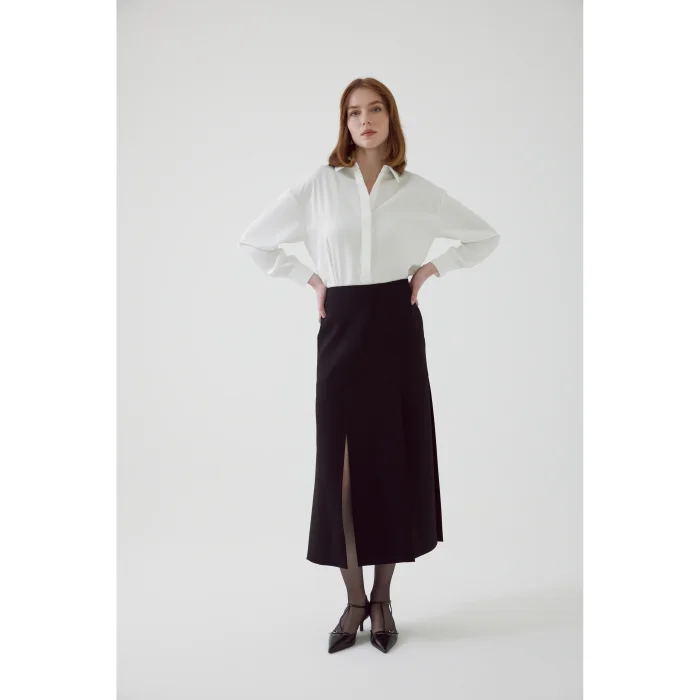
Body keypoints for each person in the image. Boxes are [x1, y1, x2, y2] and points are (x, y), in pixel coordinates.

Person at [239, 77, 500, 654]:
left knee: (391, 462)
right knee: (343, 467)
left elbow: (484, 237)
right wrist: (309, 278)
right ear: (344, 123)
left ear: (390, 118)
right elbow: (256, 241)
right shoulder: (318, 187)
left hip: (396, 329)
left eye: (375, 108)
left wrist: (432, 269)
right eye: (354, 112)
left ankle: (382, 600)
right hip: (342, 326)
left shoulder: (419, 191)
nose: (364, 119)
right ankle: (354, 599)